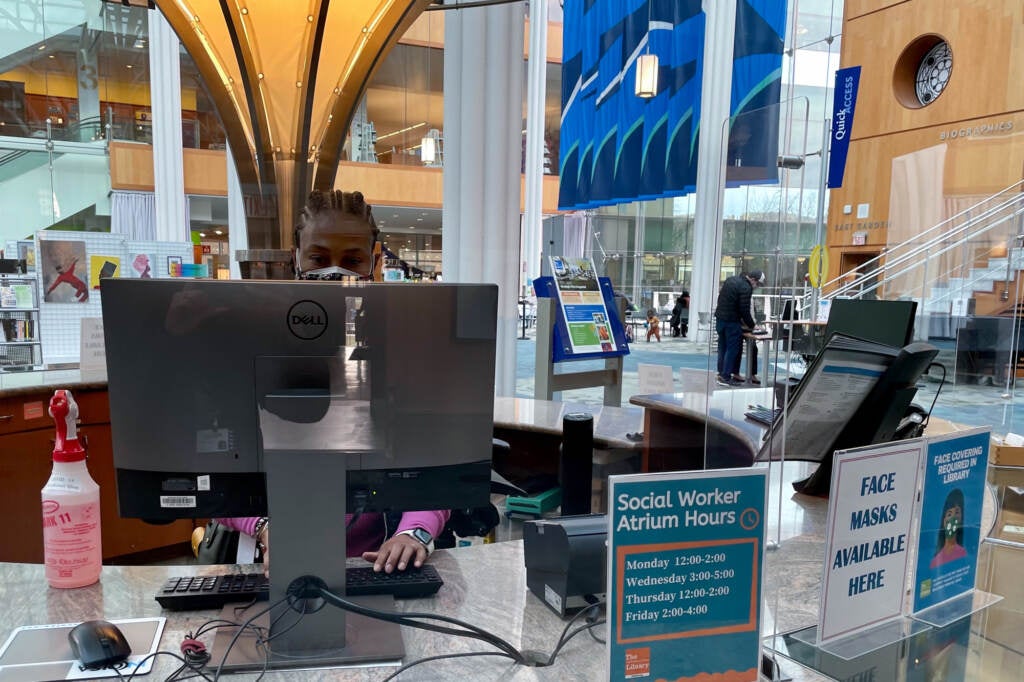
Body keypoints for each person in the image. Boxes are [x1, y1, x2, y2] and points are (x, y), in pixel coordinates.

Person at [218, 189, 449, 576]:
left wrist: (415, 531)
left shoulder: (408, 346)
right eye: (319, 259)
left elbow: (438, 464)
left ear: (373, 262)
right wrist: (265, 527)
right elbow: (217, 473)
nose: (334, 270)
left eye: (352, 260)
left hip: (378, 567)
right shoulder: (250, 343)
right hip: (278, 565)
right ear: (297, 259)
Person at [714, 270, 764, 387]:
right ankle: (726, 377)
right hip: (732, 322)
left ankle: (721, 373)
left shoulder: (730, 280)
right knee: (732, 349)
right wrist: (752, 326)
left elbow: (720, 299)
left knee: (722, 347)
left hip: (720, 319)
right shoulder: (746, 287)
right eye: (757, 283)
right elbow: (744, 310)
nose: (756, 286)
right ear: (753, 279)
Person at [930, 488, 968, 569]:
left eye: (957, 512)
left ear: (961, 517)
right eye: (949, 514)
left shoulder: (963, 553)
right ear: (944, 520)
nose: (953, 518)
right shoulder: (936, 561)